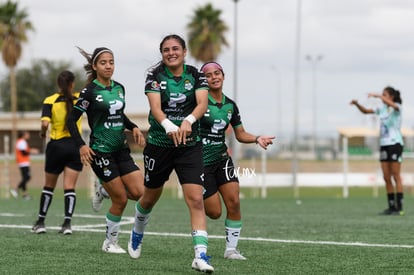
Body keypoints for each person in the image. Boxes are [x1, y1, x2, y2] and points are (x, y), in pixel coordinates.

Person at [130, 34, 214, 273]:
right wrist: (170, 127)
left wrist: (188, 121)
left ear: (185, 51)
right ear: (162, 54)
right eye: (166, 50)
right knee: (149, 198)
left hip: (190, 145)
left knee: (196, 200)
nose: (171, 53)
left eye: (175, 48)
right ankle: (137, 231)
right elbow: (155, 108)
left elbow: (202, 104)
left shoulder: (196, 75)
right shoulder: (154, 77)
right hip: (159, 145)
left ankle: (200, 256)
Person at [67, 47, 145, 253]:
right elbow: (71, 120)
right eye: (103, 62)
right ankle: (109, 243)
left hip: (121, 149)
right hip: (100, 151)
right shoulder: (89, 91)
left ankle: (103, 190)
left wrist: (133, 126)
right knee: (120, 199)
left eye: (111, 62)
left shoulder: (119, 88)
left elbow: (119, 114)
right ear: (95, 66)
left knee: (140, 193)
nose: (108, 66)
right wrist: (81, 145)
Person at [200, 61, 275, 260]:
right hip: (200, 163)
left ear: (223, 76)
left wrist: (257, 138)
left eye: (217, 73)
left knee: (234, 202)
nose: (214, 77)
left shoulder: (230, 105)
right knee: (214, 212)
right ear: (203, 80)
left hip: (222, 159)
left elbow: (240, 133)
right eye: (208, 75)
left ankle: (231, 250)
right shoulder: (198, 102)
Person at [31, 70, 82, 235]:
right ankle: (67, 224)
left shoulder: (50, 100)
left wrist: (42, 133)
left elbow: (45, 124)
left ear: (58, 84)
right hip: (75, 146)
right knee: (69, 187)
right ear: (72, 84)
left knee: (49, 186)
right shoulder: (79, 98)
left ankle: (41, 222)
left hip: (56, 147)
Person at [350, 86, 404, 215]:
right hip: (384, 144)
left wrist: (379, 96)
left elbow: (395, 107)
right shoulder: (382, 110)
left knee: (395, 175)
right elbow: (366, 111)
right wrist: (357, 104)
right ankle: (391, 207)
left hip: (395, 144)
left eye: (385, 94)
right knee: (386, 176)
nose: (382, 96)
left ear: (391, 96)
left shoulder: (396, 107)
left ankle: (399, 207)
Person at [11, 130, 33, 200]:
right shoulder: (21, 142)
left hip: (23, 162)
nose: (28, 135)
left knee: (25, 178)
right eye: (27, 134)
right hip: (23, 162)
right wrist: (32, 151)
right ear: (23, 135)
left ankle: (25, 195)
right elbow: (24, 153)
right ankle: (16, 189)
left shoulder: (21, 142)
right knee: (27, 177)